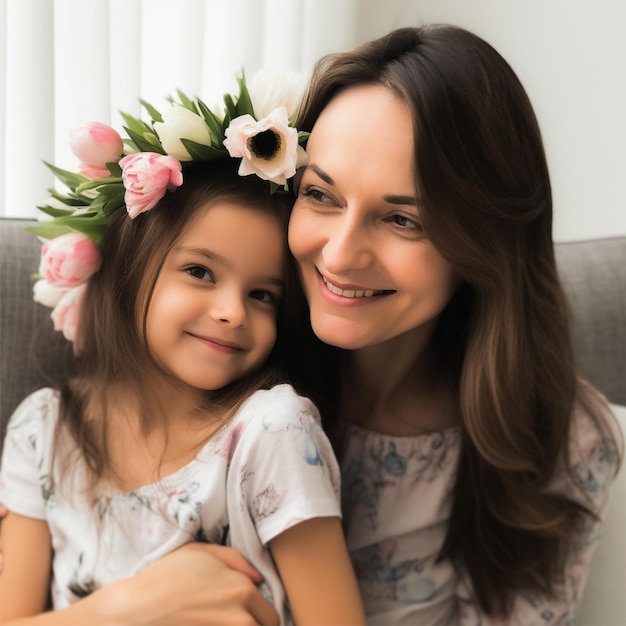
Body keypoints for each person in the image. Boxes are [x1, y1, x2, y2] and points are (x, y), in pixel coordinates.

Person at [0, 24, 623, 625]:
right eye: (321, 195)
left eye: (403, 220)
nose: (340, 254)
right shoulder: (223, 369)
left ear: (485, 244)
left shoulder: (561, 438)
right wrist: (127, 610)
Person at [0, 84, 365, 626]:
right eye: (200, 272)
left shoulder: (272, 435)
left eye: (263, 295)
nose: (234, 312)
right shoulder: (44, 431)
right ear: (129, 270)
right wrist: (128, 609)